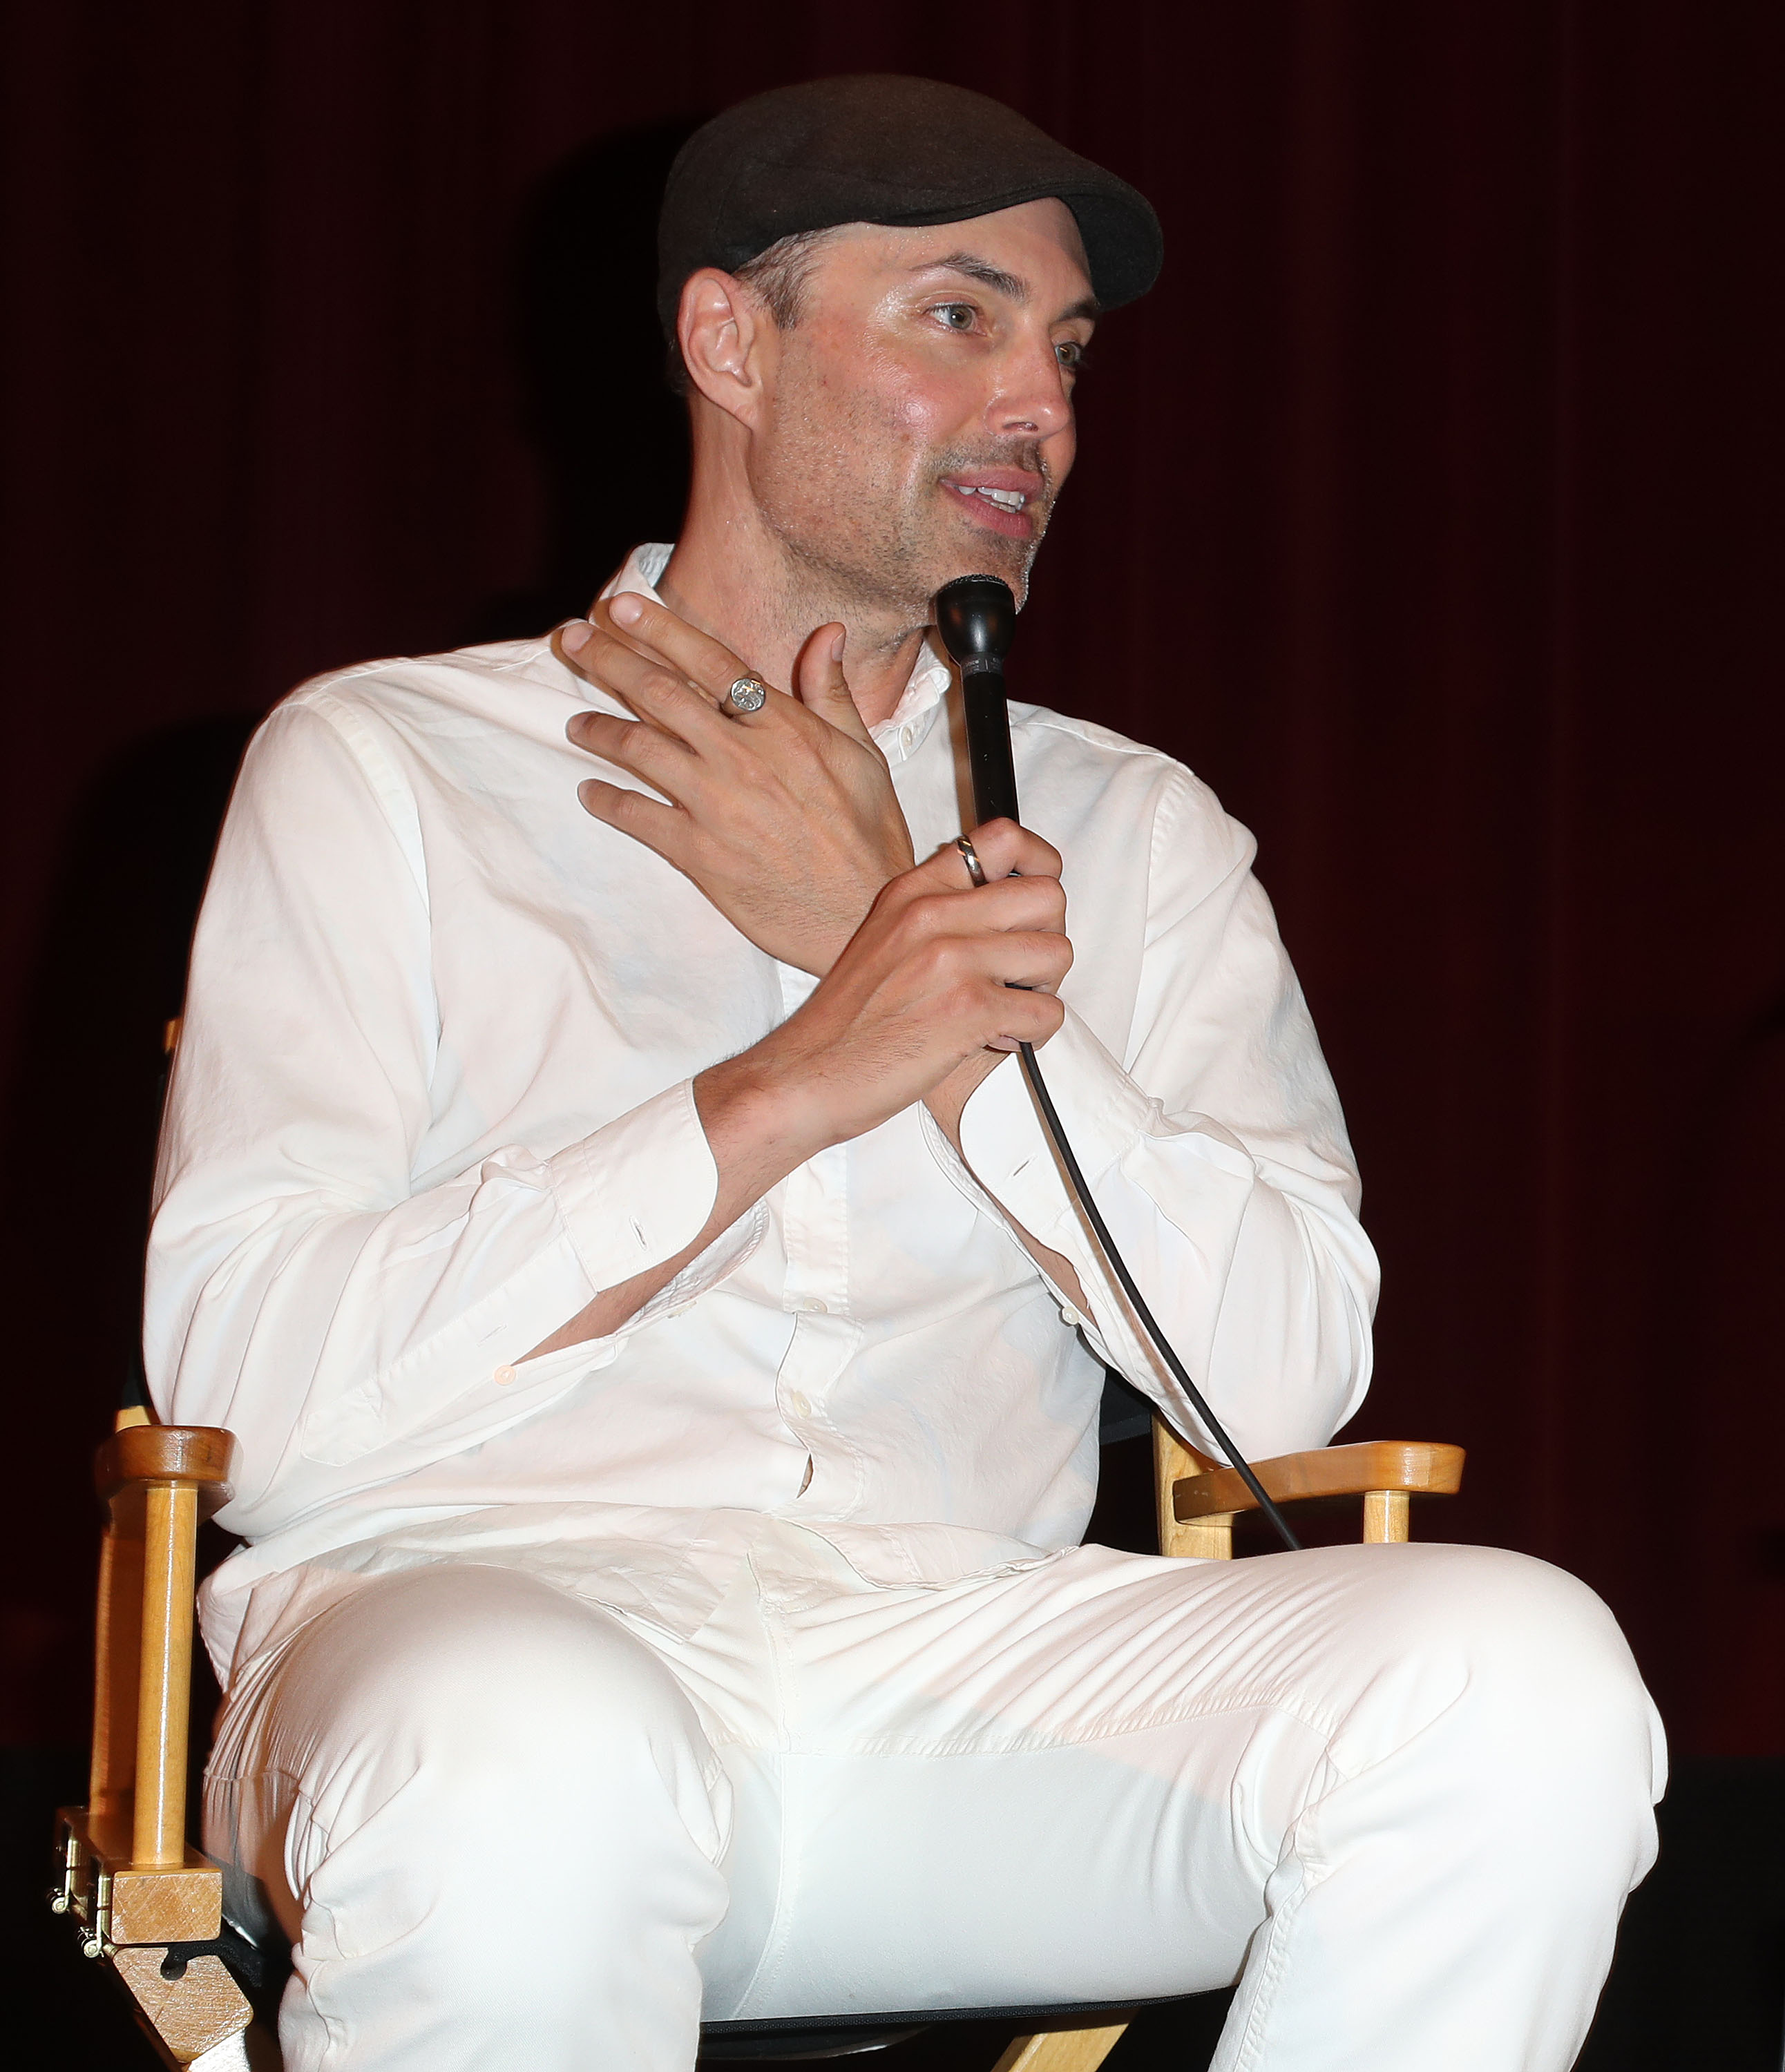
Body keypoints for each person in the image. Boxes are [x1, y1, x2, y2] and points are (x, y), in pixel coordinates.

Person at [146, 75, 1663, 2072]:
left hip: (960, 1675)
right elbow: (251, 1396)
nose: (1038, 404)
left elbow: (1283, 1372)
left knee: (1518, 1676)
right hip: (466, 1621)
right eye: (960, 318)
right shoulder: (391, 769)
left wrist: (917, 969)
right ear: (728, 343)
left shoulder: (1141, 833)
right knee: (524, 1743)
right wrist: (799, 1072)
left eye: (1066, 349)